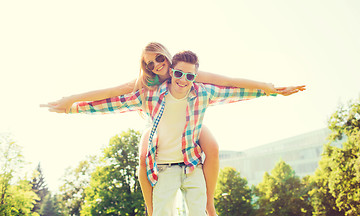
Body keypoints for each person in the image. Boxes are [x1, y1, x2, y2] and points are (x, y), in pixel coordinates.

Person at [42, 42, 305, 215]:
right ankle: (151, 208)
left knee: (211, 146)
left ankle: (208, 203)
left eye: (159, 60)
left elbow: (232, 84)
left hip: (191, 122)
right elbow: (110, 97)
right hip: (155, 122)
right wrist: (71, 102)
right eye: (150, 64)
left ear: (167, 57)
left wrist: (271, 89)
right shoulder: (146, 87)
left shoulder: (192, 77)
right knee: (144, 153)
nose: (157, 66)